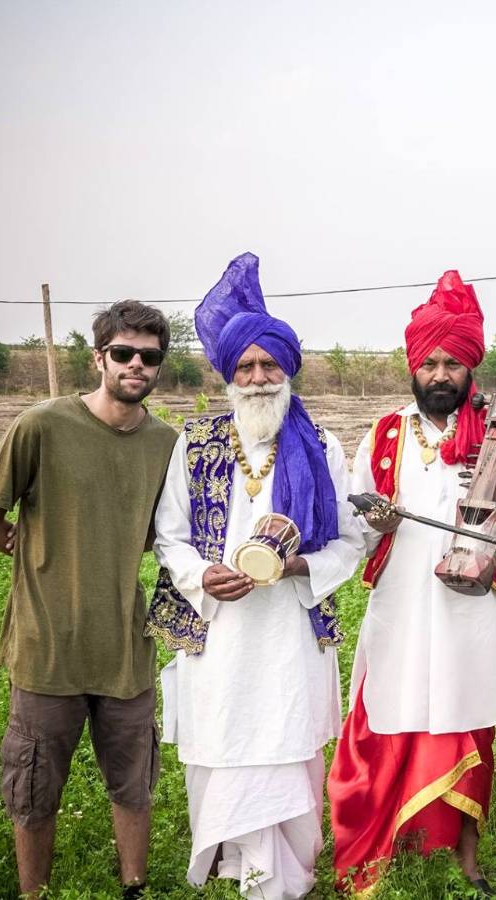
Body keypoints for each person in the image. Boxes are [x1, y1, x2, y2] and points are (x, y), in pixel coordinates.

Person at [328, 270, 496, 892]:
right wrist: (375, 521)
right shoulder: (385, 433)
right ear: (413, 366)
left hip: (468, 610)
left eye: (452, 363)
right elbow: (359, 531)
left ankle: (465, 856)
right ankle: (389, 846)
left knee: (466, 720)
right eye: (429, 362)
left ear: (469, 367)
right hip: (399, 609)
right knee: (390, 716)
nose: (439, 374)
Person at [147, 253, 364, 898]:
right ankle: (234, 864)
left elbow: (349, 540)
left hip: (291, 632)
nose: (260, 377)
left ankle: (287, 879)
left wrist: (300, 565)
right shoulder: (196, 444)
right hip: (220, 634)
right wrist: (201, 576)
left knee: (289, 740)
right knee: (222, 737)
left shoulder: (321, 445)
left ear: (288, 370)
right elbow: (169, 535)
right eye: (246, 366)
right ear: (229, 375)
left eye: (270, 365)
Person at [0, 300, 178, 898]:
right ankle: (34, 893)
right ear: (98, 358)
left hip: (124, 647)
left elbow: (164, 534)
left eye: (149, 357)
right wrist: (35, 548)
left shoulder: (167, 444)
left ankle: (133, 887)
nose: (136, 365)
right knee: (34, 786)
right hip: (48, 647)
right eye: (123, 352)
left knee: (134, 781)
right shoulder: (41, 425)